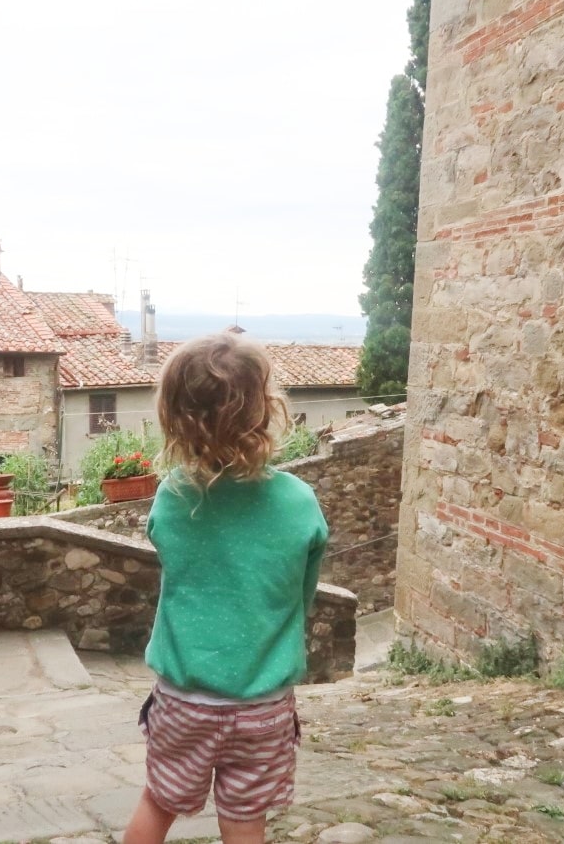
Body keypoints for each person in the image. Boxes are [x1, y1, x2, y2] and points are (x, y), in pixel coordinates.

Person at [124, 332, 329, 844]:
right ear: (265, 410)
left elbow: (174, 558)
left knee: (158, 802)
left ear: (175, 416)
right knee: (245, 821)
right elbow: (298, 597)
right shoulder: (299, 502)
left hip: (183, 702)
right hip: (264, 706)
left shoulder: (172, 498)